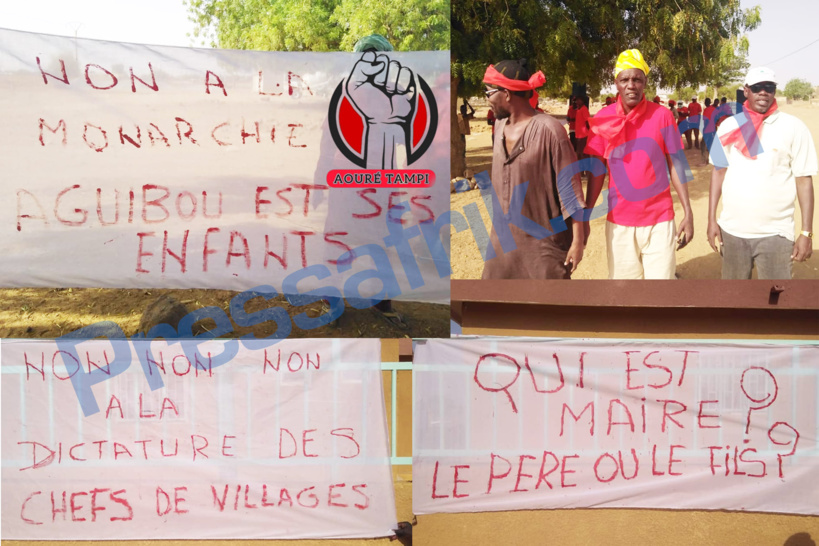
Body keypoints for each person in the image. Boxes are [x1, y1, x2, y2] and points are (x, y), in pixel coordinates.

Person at [585, 49, 694, 279]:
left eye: (637, 79)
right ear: (616, 83)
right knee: (625, 297)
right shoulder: (603, 118)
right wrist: (585, 216)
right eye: (625, 79)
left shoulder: (662, 116)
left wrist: (688, 211)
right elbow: (597, 173)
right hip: (619, 222)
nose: (631, 85)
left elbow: (676, 165)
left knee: (659, 294)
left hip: (660, 220)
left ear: (645, 82)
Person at [481, 59, 587, 279]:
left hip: (542, 249)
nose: (487, 100)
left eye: (489, 92)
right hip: (502, 245)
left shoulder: (550, 130)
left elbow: (570, 191)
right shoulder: (499, 127)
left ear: (507, 94)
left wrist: (577, 241)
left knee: (544, 310)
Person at [707, 67, 817, 279]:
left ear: (774, 91)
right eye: (757, 87)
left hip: (776, 234)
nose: (763, 92)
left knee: (775, 304)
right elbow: (718, 173)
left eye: (769, 87)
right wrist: (712, 220)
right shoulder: (729, 126)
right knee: (735, 301)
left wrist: (806, 233)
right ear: (746, 91)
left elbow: (804, 181)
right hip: (732, 232)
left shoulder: (794, 127)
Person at [573, 94, 590, 168]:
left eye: (578, 100)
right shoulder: (579, 109)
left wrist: (588, 132)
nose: (576, 101)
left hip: (583, 135)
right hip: (579, 134)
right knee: (579, 153)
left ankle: (586, 170)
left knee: (583, 153)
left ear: (582, 101)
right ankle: (581, 170)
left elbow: (587, 121)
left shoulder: (584, 109)